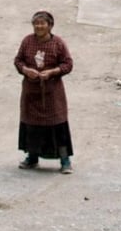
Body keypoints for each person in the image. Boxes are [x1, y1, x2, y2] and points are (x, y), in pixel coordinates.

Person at [14, 10, 75, 173]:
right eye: (36, 23)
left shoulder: (58, 43)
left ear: (50, 26)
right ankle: (32, 158)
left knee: (58, 125)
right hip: (31, 92)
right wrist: (26, 70)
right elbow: (18, 60)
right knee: (31, 125)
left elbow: (68, 64)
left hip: (52, 92)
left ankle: (65, 161)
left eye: (42, 23)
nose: (39, 26)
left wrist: (52, 72)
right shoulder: (27, 41)